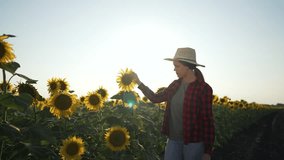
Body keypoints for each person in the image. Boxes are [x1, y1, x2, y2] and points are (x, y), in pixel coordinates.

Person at [132, 47, 215, 160]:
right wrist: (139, 82)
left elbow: (208, 120)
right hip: (173, 140)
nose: (174, 70)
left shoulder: (204, 89)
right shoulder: (175, 85)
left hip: (193, 142)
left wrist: (207, 152)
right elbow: (156, 98)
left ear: (187, 66)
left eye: (177, 66)